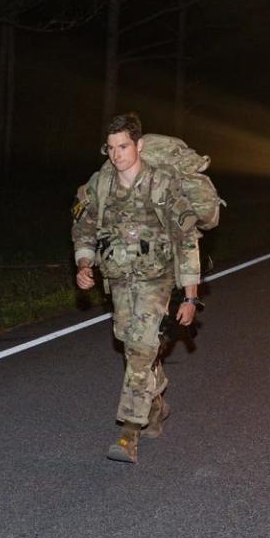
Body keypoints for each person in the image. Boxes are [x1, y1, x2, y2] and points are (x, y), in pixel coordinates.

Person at [71, 112, 201, 464]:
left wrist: (190, 295)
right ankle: (156, 405)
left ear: (138, 145)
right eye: (110, 148)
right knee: (133, 347)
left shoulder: (161, 184)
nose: (116, 154)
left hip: (157, 280)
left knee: (142, 346)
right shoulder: (100, 184)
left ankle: (129, 432)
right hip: (118, 282)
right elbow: (83, 228)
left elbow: (185, 239)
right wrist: (85, 263)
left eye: (123, 146)